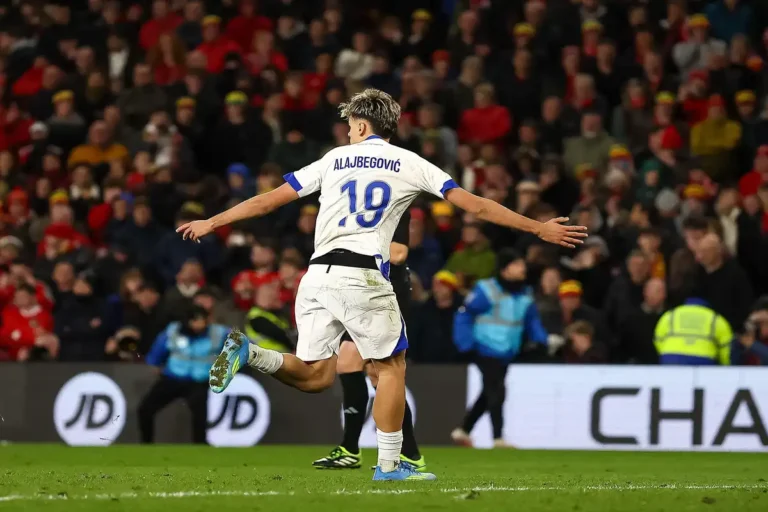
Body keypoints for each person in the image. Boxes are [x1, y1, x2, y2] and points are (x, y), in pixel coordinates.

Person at [177, 88, 586, 482]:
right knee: (391, 368)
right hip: (363, 276)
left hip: (317, 276)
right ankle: (392, 466)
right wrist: (537, 227)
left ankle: (251, 354)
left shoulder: (333, 160)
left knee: (318, 376)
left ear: (359, 126)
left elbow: (268, 199)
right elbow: (475, 205)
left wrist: (212, 222)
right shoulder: (411, 163)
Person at [313, 212, 427, 472]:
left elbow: (398, 253)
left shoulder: (393, 202)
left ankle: (408, 453)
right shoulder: (354, 206)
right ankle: (352, 448)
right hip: (359, 292)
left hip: (388, 292)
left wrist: (352, 245)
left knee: (377, 373)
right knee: (348, 362)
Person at [449, 249, 549, 448]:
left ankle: (463, 431)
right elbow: (465, 315)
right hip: (484, 348)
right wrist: (465, 343)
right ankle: (498, 438)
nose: (523, 268)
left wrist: (543, 340)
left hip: (506, 351)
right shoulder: (487, 290)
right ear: (505, 270)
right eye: (517, 265)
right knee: (497, 390)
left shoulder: (525, 294)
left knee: (489, 392)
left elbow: (532, 321)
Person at [138, 304, 228, 444]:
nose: (199, 324)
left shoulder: (219, 333)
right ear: (186, 321)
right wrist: (156, 365)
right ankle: (146, 444)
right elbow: (156, 354)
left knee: (200, 418)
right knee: (145, 409)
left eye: (202, 319)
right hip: (173, 378)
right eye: (195, 320)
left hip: (199, 381)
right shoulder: (172, 331)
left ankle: (201, 448)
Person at [653, 298, 732, 365]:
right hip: (704, 358)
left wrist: (664, 353)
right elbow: (727, 347)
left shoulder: (671, 314)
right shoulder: (715, 318)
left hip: (671, 357)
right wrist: (725, 366)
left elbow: (657, 338)